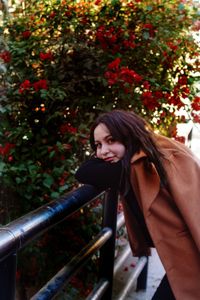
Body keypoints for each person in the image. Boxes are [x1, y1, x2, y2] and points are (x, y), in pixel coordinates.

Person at [75, 109, 200, 300]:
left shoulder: (138, 165)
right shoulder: (156, 150)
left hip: (191, 258)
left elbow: (84, 173)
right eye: (98, 145)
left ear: (128, 136)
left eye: (111, 140)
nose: (103, 151)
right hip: (184, 256)